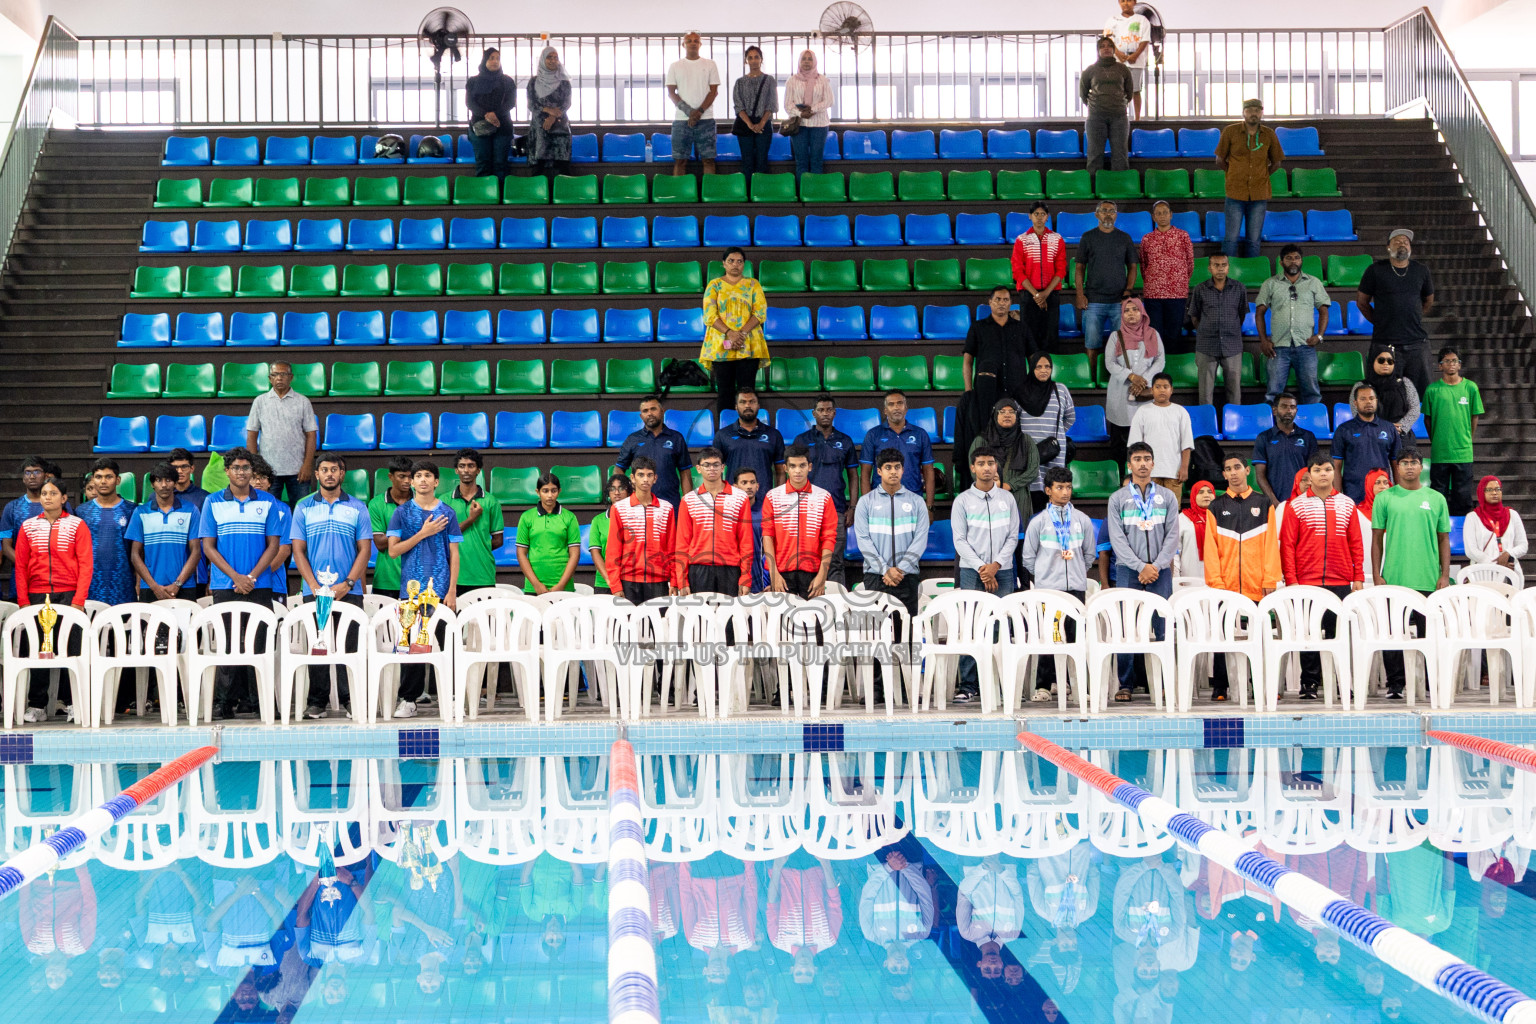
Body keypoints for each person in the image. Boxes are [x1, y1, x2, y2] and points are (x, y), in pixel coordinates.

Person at [198, 448, 283, 720]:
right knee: (228, 643)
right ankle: (226, 702)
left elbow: (273, 545)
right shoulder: (212, 502)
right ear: (227, 471)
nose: (241, 472)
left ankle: (261, 702)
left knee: (260, 643)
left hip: (260, 584)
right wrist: (236, 577)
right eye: (236, 467)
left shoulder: (268, 502)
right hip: (225, 584)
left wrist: (252, 577)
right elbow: (208, 547)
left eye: (246, 468)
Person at [289, 453, 372, 721]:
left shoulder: (358, 507)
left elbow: (364, 550)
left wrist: (347, 583)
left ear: (342, 474)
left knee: (350, 647)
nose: (329, 474)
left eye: (334, 469)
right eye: (324, 469)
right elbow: (298, 551)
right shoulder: (303, 507)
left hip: (349, 592)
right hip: (315, 592)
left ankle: (351, 700)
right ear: (316, 474)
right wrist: (313, 585)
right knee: (318, 645)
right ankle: (317, 702)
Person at [1278, 454, 1363, 700]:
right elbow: (1288, 546)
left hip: (1340, 582)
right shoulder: (1296, 505)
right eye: (1317, 470)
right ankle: (1310, 684)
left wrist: (1357, 576)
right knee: (1309, 636)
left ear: (1334, 473)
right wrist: (1292, 580)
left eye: (1327, 469)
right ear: (1310, 475)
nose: (1323, 474)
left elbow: (1356, 543)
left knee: (1340, 635)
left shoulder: (1347, 504)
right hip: (1307, 582)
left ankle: (1341, 681)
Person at [1370, 449, 1451, 699]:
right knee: (1392, 635)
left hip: (1428, 578)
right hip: (1393, 578)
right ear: (1398, 467)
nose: (1408, 467)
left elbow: (1444, 539)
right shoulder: (1385, 498)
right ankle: (1395, 685)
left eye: (1413, 463)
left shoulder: (1436, 498)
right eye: (1403, 463)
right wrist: (1376, 574)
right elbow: (1376, 540)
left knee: (1430, 635)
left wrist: (1445, 574)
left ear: (1421, 466)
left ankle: (1431, 683)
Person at [386, 462, 462, 718]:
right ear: (411, 481)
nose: (422, 480)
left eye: (428, 475)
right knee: (412, 646)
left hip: (440, 590)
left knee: (445, 645)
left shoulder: (448, 513)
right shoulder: (402, 513)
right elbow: (393, 550)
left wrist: (452, 590)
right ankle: (408, 699)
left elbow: (454, 553)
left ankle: (450, 697)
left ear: (437, 481)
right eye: (417, 476)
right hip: (411, 590)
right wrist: (423, 532)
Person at [1203, 454, 1282, 700]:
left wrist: (1270, 579)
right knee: (1221, 637)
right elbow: (1210, 549)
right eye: (1228, 469)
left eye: (1237, 467)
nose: (1233, 472)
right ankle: (1220, 686)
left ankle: (1261, 683)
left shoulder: (1264, 503)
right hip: (1224, 586)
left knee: (1259, 638)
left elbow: (1271, 545)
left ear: (1247, 470)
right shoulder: (1216, 506)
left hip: (1257, 584)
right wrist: (1216, 584)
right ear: (1224, 475)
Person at [13, 478, 90, 723]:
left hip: (69, 596)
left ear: (64, 498)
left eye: (53, 493)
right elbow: (21, 566)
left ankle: (72, 703)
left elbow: (86, 565)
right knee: (38, 650)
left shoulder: (77, 525)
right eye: (44, 493)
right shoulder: (27, 527)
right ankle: (37, 705)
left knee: (72, 651)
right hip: (36, 597)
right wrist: (24, 601)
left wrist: (78, 600)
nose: (47, 497)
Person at [1106, 443, 1179, 702]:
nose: (1143, 463)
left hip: (1160, 571)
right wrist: (1140, 567)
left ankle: (1164, 682)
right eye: (1137, 459)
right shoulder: (1118, 499)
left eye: (1147, 458)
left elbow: (1172, 536)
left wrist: (1156, 566)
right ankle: (1126, 684)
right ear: (1129, 465)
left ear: (1153, 463)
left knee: (1163, 627)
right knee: (1127, 628)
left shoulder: (1168, 497)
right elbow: (1117, 539)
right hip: (1129, 570)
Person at [1019, 466, 1098, 701]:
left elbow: (1089, 555)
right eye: (1059, 488)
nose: (1065, 492)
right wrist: (1044, 576)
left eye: (1068, 487)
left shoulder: (1082, 520)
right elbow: (1028, 558)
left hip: (1075, 589)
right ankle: (1043, 686)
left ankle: (1076, 684)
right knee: (1048, 637)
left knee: (1075, 637)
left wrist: (1076, 573)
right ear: (1048, 490)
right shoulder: (1039, 522)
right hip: (1048, 590)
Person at [952, 445, 1021, 703]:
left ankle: (1002, 685)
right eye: (981, 463)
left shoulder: (1008, 499)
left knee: (1002, 627)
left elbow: (1013, 536)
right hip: (972, 572)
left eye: (991, 463)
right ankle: (969, 685)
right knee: (971, 627)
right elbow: (959, 540)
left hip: (1002, 572)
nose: (987, 468)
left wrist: (996, 565)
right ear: (972, 468)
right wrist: (983, 567)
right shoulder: (962, 501)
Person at [1357, 229, 1436, 399]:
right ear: (1388, 247)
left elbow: (1428, 300)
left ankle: (1417, 427)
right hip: (1385, 344)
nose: (1402, 244)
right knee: (1384, 395)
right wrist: (1380, 321)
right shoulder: (1375, 270)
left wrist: (1411, 316)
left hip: (1416, 344)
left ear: (1411, 248)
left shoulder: (1421, 270)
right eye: (1397, 241)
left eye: (1406, 242)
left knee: (1421, 395)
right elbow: (1362, 302)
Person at [793, 395, 860, 584]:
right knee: (808, 560)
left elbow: (854, 476)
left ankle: (836, 608)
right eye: (821, 410)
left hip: (836, 510)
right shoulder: (801, 440)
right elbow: (793, 473)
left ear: (834, 413)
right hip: (806, 510)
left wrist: (852, 507)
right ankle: (808, 607)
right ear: (814, 414)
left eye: (829, 410)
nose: (825, 414)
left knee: (835, 561)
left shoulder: (845, 441)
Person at [855, 448, 929, 615]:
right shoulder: (865, 502)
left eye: (897, 467)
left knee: (906, 633)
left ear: (903, 470)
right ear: (879, 471)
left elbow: (920, 539)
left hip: (907, 576)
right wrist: (885, 569)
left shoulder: (917, 502)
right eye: (888, 467)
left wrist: (900, 569)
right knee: (878, 633)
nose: (893, 472)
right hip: (876, 576)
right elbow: (863, 540)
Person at [1256, 244, 1330, 406]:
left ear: (1301, 261)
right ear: (1281, 262)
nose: (1293, 261)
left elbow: (1324, 310)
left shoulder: (1313, 282)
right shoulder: (1270, 284)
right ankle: (1273, 429)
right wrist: (1263, 341)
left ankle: (1312, 427)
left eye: (1296, 258)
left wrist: (1319, 335)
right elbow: (1259, 312)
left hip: (1305, 346)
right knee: (1273, 394)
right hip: (1278, 347)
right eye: (1288, 258)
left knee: (1311, 392)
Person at [674, 447, 753, 597]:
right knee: (701, 619)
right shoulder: (689, 500)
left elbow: (746, 542)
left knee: (729, 619)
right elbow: (682, 543)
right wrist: (682, 579)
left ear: (723, 467)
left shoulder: (740, 498)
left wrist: (745, 576)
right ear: (698, 469)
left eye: (716, 464)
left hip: (730, 569)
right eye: (707, 465)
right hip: (698, 569)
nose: (712, 469)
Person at [701, 248, 770, 418]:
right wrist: (729, 333)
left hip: (749, 344)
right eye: (731, 260)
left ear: (744, 265)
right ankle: (726, 432)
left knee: (747, 391)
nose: (735, 265)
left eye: (740, 261)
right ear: (723, 263)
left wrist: (741, 334)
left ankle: (748, 430)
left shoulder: (753, 284)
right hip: (721, 344)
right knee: (725, 392)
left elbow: (760, 312)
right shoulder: (714, 285)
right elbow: (709, 315)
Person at [763, 445, 837, 599]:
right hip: (781, 573)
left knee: (813, 621)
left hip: (813, 572)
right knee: (784, 622)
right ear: (785, 468)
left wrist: (822, 574)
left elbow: (829, 538)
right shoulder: (773, 497)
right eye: (793, 466)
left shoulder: (823, 497)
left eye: (802, 465)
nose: (797, 470)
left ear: (809, 467)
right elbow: (768, 536)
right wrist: (774, 573)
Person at [1214, 99, 1284, 258]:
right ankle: (1226, 275)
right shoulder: (1230, 131)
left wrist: (1262, 175)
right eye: (1250, 110)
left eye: (1257, 110)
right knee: (1231, 238)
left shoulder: (1269, 134)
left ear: (1261, 112)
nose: (1254, 113)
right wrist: (1234, 173)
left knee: (1253, 239)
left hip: (1259, 193)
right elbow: (1219, 160)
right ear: (1243, 112)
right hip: (1235, 192)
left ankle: (1252, 274)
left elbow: (1276, 162)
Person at [126, 461, 202, 602]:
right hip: (150, 588)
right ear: (152, 484)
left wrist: (177, 584)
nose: (164, 485)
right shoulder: (140, 512)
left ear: (174, 483)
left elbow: (196, 552)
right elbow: (135, 555)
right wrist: (154, 587)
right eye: (159, 480)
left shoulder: (191, 510)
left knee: (185, 625)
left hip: (184, 587)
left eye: (168, 480)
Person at [1104, 298, 1165, 472]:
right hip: (1120, 393)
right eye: (1127, 310)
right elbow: (1110, 363)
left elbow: (1160, 360)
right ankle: (1120, 476)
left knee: (1145, 439)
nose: (1131, 314)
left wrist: (1143, 379)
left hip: (1144, 392)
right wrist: (1131, 376)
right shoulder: (1116, 336)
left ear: (1142, 312)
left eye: (1135, 309)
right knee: (1119, 440)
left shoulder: (1153, 334)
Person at [244, 361, 316, 506]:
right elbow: (252, 435)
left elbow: (311, 435)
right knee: (266, 509)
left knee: (302, 511)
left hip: (298, 470)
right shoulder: (260, 402)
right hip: (268, 471)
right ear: (270, 378)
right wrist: (256, 467)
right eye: (275, 374)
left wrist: (307, 465)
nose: (279, 378)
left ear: (291, 377)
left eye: (283, 374)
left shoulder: (303, 402)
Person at [1422, 346, 1483, 515]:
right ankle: (1438, 533)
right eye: (1446, 361)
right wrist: (1435, 439)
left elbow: (1474, 416)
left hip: (1463, 452)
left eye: (1454, 361)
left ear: (1460, 365)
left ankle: (1461, 534)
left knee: (1463, 497)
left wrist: (1467, 438)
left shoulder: (1470, 388)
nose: (1451, 364)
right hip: (1440, 452)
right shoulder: (1432, 390)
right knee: (1438, 496)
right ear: (1440, 366)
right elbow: (1427, 419)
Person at [607, 456, 677, 603]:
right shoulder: (619, 508)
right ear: (632, 478)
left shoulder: (666, 508)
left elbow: (671, 549)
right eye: (641, 475)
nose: (645, 479)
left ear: (655, 478)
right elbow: (613, 549)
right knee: (630, 624)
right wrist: (615, 585)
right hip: (628, 580)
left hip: (659, 579)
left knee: (658, 624)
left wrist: (674, 580)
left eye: (649, 475)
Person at [1015, 354, 1076, 513]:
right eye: (1039, 367)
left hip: (1054, 451)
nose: (1044, 370)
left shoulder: (1060, 389)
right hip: (1030, 452)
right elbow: (1015, 421)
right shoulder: (1021, 392)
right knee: (1034, 496)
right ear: (1032, 369)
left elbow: (1070, 417)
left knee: (1054, 494)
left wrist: (1058, 435)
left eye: (1047, 367)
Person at [1074, 200, 1138, 353]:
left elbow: (1133, 266)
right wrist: (1080, 294)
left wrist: (1128, 291)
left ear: (1116, 215)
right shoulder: (1088, 237)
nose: (1108, 214)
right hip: (1093, 301)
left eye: (1111, 211)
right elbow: (1079, 267)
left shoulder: (1125, 238)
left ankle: (1120, 377)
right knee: (1092, 345)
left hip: (1119, 301)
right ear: (1097, 215)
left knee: (1121, 346)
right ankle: (1093, 377)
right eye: (1104, 210)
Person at [440, 449, 503, 597]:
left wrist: (478, 549)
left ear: (478, 470)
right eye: (462, 466)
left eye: (471, 466)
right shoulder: (444, 501)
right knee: (452, 619)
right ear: (456, 470)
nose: (466, 470)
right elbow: (442, 536)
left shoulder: (491, 501)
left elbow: (498, 540)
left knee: (483, 620)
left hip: (483, 574)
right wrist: (471, 519)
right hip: (454, 576)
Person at [1188, 253, 1247, 408]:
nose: (1220, 269)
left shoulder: (1239, 288)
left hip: (1232, 345)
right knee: (1205, 394)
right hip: (1206, 346)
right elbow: (1194, 316)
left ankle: (1235, 426)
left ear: (1228, 267)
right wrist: (1205, 330)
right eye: (1216, 265)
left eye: (1223, 265)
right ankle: (1207, 428)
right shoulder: (1200, 289)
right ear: (1209, 268)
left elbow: (1241, 314)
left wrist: (1229, 329)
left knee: (1234, 394)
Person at [76, 457, 137, 607]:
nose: (103, 481)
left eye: (108, 477)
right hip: (90, 585)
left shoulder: (132, 510)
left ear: (118, 480)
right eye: (98, 477)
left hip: (124, 585)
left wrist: (138, 584)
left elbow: (139, 553)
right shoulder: (81, 512)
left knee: (123, 629)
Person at [861, 390, 936, 508]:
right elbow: (865, 473)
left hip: (913, 498)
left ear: (906, 408)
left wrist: (930, 506)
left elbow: (928, 471)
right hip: (880, 501)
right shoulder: (873, 435)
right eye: (891, 404)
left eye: (900, 403)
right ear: (885, 410)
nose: (896, 407)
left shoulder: (920, 434)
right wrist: (867, 506)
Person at [972, 398, 1040, 529]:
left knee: (1020, 539)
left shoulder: (1026, 441)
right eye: (1002, 411)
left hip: (1019, 497)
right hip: (989, 497)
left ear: (1017, 416)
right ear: (995, 415)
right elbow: (974, 470)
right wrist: (991, 486)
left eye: (1011, 412)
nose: (1007, 415)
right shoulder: (981, 440)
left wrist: (1010, 485)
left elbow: (1033, 470)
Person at [616, 394, 694, 508]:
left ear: (662, 411)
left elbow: (685, 471)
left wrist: (687, 503)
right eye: (645, 411)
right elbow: (619, 468)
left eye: (653, 409)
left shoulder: (676, 438)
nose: (650, 413)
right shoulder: (632, 439)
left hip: (671, 503)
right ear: (641, 416)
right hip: (640, 504)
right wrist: (629, 487)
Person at [965, 285, 1034, 412]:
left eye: (1006, 300)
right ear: (990, 302)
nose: (1002, 303)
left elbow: (1033, 358)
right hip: (987, 391)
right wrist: (968, 391)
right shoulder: (977, 328)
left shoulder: (1022, 328)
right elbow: (967, 361)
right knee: (987, 429)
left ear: (1010, 303)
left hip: (1018, 392)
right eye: (998, 299)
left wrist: (1032, 387)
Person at [714, 387, 784, 511]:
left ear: (758, 405)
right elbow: (715, 472)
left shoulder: (774, 435)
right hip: (733, 502)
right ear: (736, 406)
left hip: (765, 502)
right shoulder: (723, 435)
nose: (747, 405)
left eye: (752, 402)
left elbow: (780, 472)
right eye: (743, 402)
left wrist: (778, 499)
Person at [1010, 203, 1068, 353]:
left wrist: (1045, 294)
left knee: (1051, 336)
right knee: (1029, 336)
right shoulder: (1021, 240)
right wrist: (1036, 294)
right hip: (1028, 295)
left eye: (1043, 214)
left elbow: (1061, 270)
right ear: (1030, 217)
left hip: (1051, 294)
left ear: (1047, 217)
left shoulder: (1057, 239)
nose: (1040, 217)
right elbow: (1017, 271)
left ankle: (1049, 372)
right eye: (1036, 214)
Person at [1127, 373, 1193, 498]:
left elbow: (1187, 444)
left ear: (1171, 390)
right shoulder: (1142, 411)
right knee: (1150, 511)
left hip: (1174, 471)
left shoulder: (1181, 412)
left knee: (1172, 512)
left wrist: (1184, 468)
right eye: (1158, 387)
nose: (1162, 390)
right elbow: (1134, 446)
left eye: (1165, 387)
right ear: (1151, 390)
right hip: (1149, 473)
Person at [1332, 384, 1403, 502]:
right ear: (1355, 403)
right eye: (1363, 399)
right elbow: (1336, 466)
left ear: (1376, 400)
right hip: (1354, 493)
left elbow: (1396, 464)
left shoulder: (1389, 428)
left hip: (1383, 491)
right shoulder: (1344, 430)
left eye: (1371, 398)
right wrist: (1337, 496)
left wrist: (1399, 492)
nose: (1368, 402)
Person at [665, 32, 721, 177]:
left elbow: (713, 92)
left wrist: (699, 112)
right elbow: (671, 93)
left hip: (706, 119)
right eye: (689, 40)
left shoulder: (710, 64)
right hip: (682, 120)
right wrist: (690, 112)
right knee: (680, 161)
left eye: (696, 40)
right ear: (684, 45)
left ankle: (708, 194)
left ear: (700, 44)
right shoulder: (675, 66)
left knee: (708, 160)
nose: (693, 43)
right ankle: (679, 196)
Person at [1139, 201, 1194, 344]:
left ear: (1171, 215)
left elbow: (1190, 263)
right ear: (1153, 217)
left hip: (1177, 292)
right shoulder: (1147, 239)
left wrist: (1178, 281)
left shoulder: (1183, 236)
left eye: (1165, 212)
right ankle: (1156, 365)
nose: (1162, 216)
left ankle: (1172, 364)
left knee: (1173, 333)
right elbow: (1144, 264)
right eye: (1158, 213)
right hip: (1153, 294)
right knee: (1154, 334)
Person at [515, 473, 579, 595]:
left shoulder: (570, 517)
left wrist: (561, 585)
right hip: (533, 588)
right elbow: (521, 554)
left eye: (553, 491)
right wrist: (536, 585)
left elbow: (575, 554)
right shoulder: (526, 517)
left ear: (559, 491)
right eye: (545, 491)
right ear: (537, 492)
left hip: (564, 588)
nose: (550, 495)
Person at [1079, 36, 1134, 174]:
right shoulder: (1090, 70)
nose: (1106, 48)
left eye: (1109, 46)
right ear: (1098, 50)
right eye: (1102, 46)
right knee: (1095, 155)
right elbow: (1083, 93)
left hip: (1119, 117)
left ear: (1114, 50)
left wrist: (1118, 105)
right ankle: (1095, 189)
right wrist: (1095, 106)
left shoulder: (1123, 69)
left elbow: (1129, 92)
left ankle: (1121, 191)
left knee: (1120, 155)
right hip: (1096, 118)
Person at [1, 456, 52, 600]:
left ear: (46, 476)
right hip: (21, 577)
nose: (32, 476)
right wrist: (28, 566)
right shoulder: (12, 508)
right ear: (23, 478)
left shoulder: (58, 506)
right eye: (27, 472)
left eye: (37, 472)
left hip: (53, 578)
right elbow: (6, 547)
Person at [1252, 393, 1318, 502]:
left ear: (1296, 411)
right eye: (1284, 406)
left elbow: (1313, 472)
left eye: (1292, 407)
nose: (1289, 410)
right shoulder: (1263, 438)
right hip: (1275, 502)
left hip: (1303, 502)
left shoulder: (1308, 436)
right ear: (1274, 410)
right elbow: (1260, 476)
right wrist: (1274, 502)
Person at [465, 47, 516, 179]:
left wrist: (495, 114)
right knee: (483, 163)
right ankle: (484, 197)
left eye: (498, 58)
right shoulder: (473, 81)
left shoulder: (507, 81)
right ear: (484, 60)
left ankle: (499, 197)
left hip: (502, 126)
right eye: (491, 58)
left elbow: (510, 103)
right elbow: (470, 103)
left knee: (501, 164)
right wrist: (486, 115)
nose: (495, 61)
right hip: (480, 126)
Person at [368, 455, 414, 602]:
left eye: (410, 477)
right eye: (402, 476)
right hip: (386, 580)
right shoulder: (376, 504)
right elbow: (380, 544)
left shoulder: (422, 501)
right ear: (391, 477)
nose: (407, 481)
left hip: (416, 579)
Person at [731, 46, 777, 183]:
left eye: (756, 57)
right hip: (745, 125)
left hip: (764, 124)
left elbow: (772, 104)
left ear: (761, 59)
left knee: (762, 161)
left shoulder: (769, 80)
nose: (754, 60)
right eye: (750, 57)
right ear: (746, 61)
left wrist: (761, 123)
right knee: (747, 161)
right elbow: (738, 106)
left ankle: (761, 193)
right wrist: (750, 124)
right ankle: (748, 198)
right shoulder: (740, 82)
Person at [784, 50, 833, 177]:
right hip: (799, 125)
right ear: (799, 61)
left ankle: (815, 194)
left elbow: (829, 101)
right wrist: (800, 114)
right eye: (803, 59)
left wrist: (812, 109)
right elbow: (787, 104)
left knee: (816, 161)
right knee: (801, 162)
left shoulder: (822, 80)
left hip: (819, 125)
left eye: (809, 59)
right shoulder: (792, 80)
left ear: (814, 62)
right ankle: (802, 194)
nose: (806, 61)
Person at [1465, 476, 1527, 576]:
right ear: (1482, 492)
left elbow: (1523, 546)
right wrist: (1495, 564)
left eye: (1497, 489)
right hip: (1482, 573)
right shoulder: (1472, 518)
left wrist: (1508, 553)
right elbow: (1471, 551)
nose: (1494, 493)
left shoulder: (1513, 514)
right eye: (1489, 490)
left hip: (1510, 571)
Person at [248, 459, 292, 599]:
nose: (258, 482)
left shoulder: (283, 510)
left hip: (273, 584)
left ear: (270, 482)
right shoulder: (237, 509)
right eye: (254, 477)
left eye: (262, 477)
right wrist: (244, 579)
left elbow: (284, 550)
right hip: (240, 582)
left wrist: (255, 577)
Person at [527, 46, 572, 178]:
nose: (553, 60)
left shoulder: (564, 82)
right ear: (542, 60)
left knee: (562, 166)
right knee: (538, 167)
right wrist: (548, 110)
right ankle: (538, 197)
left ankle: (563, 196)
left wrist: (552, 117)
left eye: (555, 58)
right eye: (549, 57)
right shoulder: (533, 82)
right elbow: (531, 104)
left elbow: (566, 103)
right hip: (539, 128)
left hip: (559, 127)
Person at [1104, 0, 1153, 119]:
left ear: (1134, 2)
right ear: (1119, 3)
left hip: (1137, 60)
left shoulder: (1142, 20)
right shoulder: (1112, 20)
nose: (1126, 4)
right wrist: (1118, 54)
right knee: (1119, 90)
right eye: (1122, 1)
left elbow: (1145, 39)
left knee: (1136, 90)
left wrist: (1135, 55)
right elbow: (1108, 39)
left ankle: (1137, 118)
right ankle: (1121, 117)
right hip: (1118, 60)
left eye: (1129, 1)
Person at [1360, 347, 1422, 437]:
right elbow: (1357, 410)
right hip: (1370, 433)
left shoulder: (1405, 383)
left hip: (1400, 433)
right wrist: (1380, 428)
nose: (1386, 364)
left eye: (1390, 361)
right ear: (1372, 361)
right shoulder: (1361, 386)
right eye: (1381, 360)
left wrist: (1401, 427)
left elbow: (1415, 408)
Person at [589, 474, 632, 594]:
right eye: (612, 489)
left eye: (621, 488)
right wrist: (611, 581)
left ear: (629, 491)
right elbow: (595, 553)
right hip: (604, 583)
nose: (616, 493)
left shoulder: (635, 517)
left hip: (630, 582)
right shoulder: (598, 520)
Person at [733, 467, 770, 592]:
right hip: (734, 575)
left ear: (758, 486)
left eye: (752, 482)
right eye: (744, 483)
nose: (749, 486)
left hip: (760, 578)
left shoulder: (766, 511)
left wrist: (771, 579)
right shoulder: (729, 512)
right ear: (735, 487)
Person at [1177, 481, 1217, 579]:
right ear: (1193, 496)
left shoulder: (1222, 517)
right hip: (1189, 575)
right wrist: (1176, 576)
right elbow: (1175, 551)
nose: (1206, 495)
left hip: (1217, 576)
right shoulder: (1182, 518)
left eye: (1209, 492)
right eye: (1201, 492)